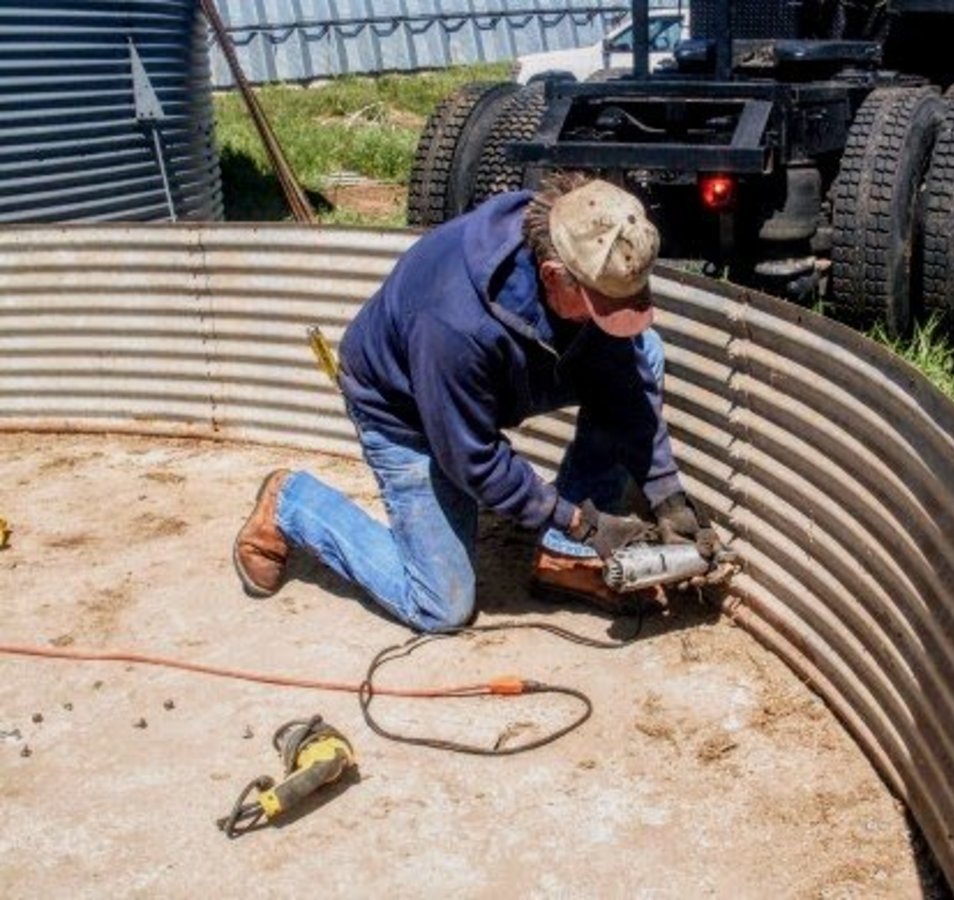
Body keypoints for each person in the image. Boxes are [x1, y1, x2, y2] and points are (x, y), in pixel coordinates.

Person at [232, 173, 714, 632]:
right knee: (440, 606)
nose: (613, 315)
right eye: (602, 306)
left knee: (641, 351)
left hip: (498, 379)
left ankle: (561, 558)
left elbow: (624, 381)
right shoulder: (453, 324)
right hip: (406, 414)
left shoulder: (578, 236)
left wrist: (667, 496)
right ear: (552, 275)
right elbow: (473, 459)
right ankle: (291, 502)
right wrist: (585, 524)